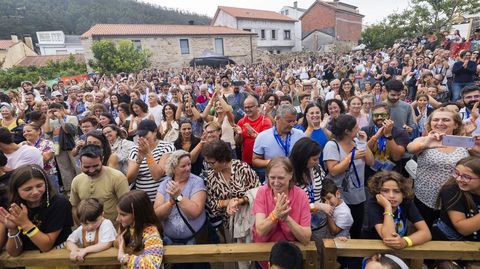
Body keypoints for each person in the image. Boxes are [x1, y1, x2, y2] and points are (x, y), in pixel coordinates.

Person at [407, 108, 470, 227]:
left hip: (455, 199)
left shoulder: (463, 142)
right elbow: (410, 147)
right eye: (436, 120)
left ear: (455, 124)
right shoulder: (424, 141)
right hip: (425, 198)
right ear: (430, 123)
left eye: (446, 120)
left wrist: (471, 137)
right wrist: (426, 144)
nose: (440, 123)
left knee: (448, 234)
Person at [0, 165, 73, 256]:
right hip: (30, 261)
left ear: (46, 183)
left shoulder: (59, 204)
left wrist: (25, 223)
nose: (35, 192)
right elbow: (14, 253)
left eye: (39, 185)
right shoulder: (15, 207)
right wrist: (13, 229)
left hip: (58, 257)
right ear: (16, 190)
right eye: (28, 189)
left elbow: (46, 246)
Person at [252, 157, 311, 269]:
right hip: (265, 258)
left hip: (290, 261)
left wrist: (287, 218)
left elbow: (306, 238)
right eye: (272, 178)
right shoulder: (262, 192)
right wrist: (275, 214)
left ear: (290, 175)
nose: (276, 182)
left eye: (281, 178)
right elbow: (260, 230)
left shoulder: (301, 195)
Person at [153, 150, 209, 269]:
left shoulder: (197, 182)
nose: (188, 168)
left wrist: (179, 196)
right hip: (171, 244)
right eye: (183, 166)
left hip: (195, 243)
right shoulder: (164, 185)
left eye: (189, 164)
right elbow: (157, 214)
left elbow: (194, 212)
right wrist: (170, 202)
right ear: (173, 168)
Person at [323, 114, 374, 239]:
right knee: (340, 231)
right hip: (339, 195)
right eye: (356, 127)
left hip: (358, 195)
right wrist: (350, 158)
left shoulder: (357, 142)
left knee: (356, 227)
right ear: (347, 131)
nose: (359, 129)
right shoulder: (332, 145)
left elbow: (370, 162)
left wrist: (364, 143)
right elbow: (333, 170)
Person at [202, 140, 260, 240]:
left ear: (223, 159)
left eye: (211, 163)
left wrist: (240, 201)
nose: (209, 166)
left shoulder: (243, 169)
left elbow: (258, 193)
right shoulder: (212, 176)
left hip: (249, 220)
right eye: (207, 163)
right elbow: (212, 204)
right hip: (229, 224)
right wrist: (227, 203)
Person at [365, 171, 431, 249]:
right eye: (385, 191)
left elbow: (426, 233)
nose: (391, 196)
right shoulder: (373, 204)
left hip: (399, 250)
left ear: (403, 194)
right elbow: (389, 238)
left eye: (397, 191)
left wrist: (405, 241)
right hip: (374, 250)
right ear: (378, 193)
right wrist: (388, 207)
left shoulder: (406, 202)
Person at [70, 144, 130, 225]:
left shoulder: (117, 178)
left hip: (114, 230)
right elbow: (74, 207)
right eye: (87, 167)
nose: (91, 170)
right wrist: (82, 227)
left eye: (95, 166)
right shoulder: (77, 181)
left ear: (102, 160)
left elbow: (127, 208)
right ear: (80, 163)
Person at [253, 104, 305, 182]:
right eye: (289, 121)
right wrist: (271, 162)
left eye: (294, 121)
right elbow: (255, 161)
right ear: (277, 118)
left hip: (296, 182)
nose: (292, 124)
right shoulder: (262, 136)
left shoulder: (300, 135)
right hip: (274, 183)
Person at [127, 119, 175, 201]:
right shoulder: (134, 150)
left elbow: (157, 175)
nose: (142, 138)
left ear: (155, 132)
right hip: (142, 199)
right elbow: (130, 179)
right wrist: (139, 161)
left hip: (162, 197)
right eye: (139, 135)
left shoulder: (167, 147)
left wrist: (148, 154)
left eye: (145, 134)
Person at [435, 156, 480, 241]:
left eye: (466, 177)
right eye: (456, 173)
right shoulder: (451, 191)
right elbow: (463, 229)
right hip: (451, 240)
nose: (458, 179)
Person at [116, 190, 163, 268]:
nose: (117, 219)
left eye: (123, 215)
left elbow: (151, 265)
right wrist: (120, 243)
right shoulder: (128, 227)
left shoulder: (151, 234)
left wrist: (123, 258)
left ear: (138, 214)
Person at [362, 104, 409, 175]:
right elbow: (362, 153)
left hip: (392, 174)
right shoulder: (366, 131)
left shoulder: (400, 132)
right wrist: (376, 136)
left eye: (383, 115)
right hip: (369, 174)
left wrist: (388, 135)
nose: (379, 117)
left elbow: (397, 157)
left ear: (389, 116)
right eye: (376, 115)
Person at [66, 198, 116, 263]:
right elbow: (69, 241)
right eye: (86, 224)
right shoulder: (81, 229)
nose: (90, 226)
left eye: (94, 222)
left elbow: (106, 244)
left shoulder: (106, 224)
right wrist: (75, 251)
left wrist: (85, 250)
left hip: (108, 263)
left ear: (102, 214)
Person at [235, 95, 273, 166]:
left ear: (257, 107)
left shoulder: (265, 121)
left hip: (261, 163)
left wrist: (254, 136)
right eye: (245, 107)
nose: (247, 109)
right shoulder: (241, 122)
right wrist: (239, 134)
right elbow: (238, 142)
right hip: (246, 163)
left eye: (250, 107)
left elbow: (268, 142)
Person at [21, 123, 60, 191]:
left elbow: (45, 159)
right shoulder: (23, 146)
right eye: (24, 132)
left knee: (54, 197)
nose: (25, 133)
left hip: (48, 175)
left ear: (38, 131)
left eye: (28, 131)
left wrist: (32, 148)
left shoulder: (47, 143)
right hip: (31, 177)